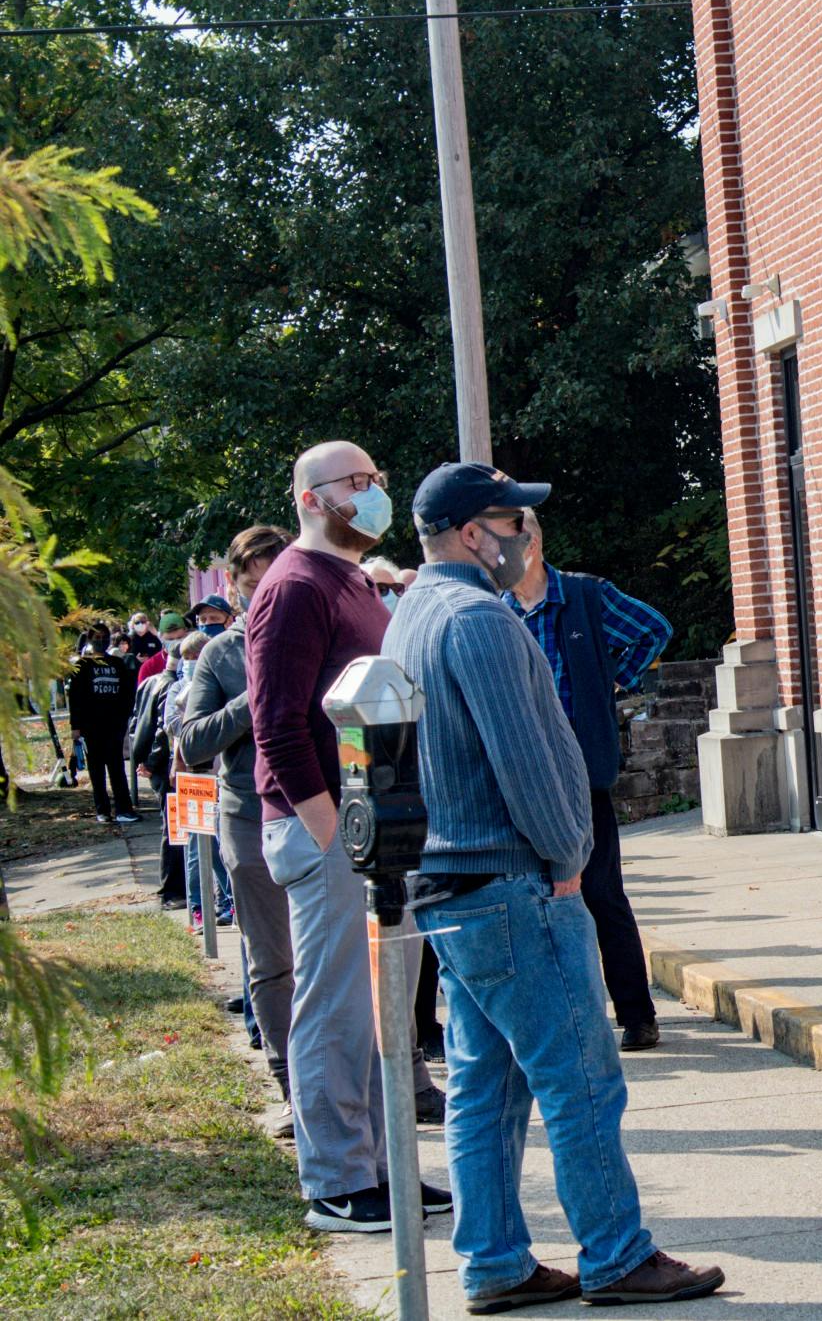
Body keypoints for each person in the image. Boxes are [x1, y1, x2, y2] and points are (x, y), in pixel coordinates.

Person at [386, 461, 724, 1312]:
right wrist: (569, 856)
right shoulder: (480, 621)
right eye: (512, 521)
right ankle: (616, 1254)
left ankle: (495, 1261)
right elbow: (527, 760)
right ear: (472, 534)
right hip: (513, 883)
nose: (524, 536)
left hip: (453, 889)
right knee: (581, 1079)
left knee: (485, 1090)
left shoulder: (409, 619)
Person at [245, 439, 450, 1234]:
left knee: (378, 1011)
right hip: (327, 830)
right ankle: (335, 1179)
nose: (371, 493)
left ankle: (381, 1168)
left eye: (376, 478)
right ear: (309, 498)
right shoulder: (293, 586)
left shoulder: (354, 579)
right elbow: (276, 726)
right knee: (335, 1007)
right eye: (354, 482)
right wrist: (333, 832)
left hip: (374, 830)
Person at [505, 507, 674, 1051]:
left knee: (602, 894)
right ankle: (563, 1018)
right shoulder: (497, 610)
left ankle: (637, 1014)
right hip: (524, 776)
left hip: (580, 770)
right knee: (533, 898)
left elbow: (654, 630)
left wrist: (610, 681)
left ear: (528, 544)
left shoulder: (583, 595)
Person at [183, 526, 298, 1135]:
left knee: (361, 954)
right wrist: (254, 697)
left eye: (273, 579)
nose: (263, 593)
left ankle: (404, 1078)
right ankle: (291, 1088)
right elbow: (191, 741)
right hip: (250, 821)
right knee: (272, 960)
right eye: (251, 583)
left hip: (323, 815)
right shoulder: (219, 654)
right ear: (233, 584)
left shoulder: (315, 631)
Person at [165, 629, 233, 931]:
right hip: (193, 777)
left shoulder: (219, 684)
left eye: (198, 656)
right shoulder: (177, 688)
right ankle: (198, 907)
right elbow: (175, 727)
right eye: (188, 658)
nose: (193, 662)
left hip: (219, 775)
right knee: (196, 843)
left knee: (220, 843)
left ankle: (226, 901)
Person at [128, 645, 184, 906]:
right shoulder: (171, 688)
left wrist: (142, 760)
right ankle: (172, 890)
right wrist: (151, 761)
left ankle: (171, 889)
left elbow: (136, 721)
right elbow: (164, 731)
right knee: (175, 830)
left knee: (170, 828)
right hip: (165, 766)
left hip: (154, 765)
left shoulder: (149, 683)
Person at [67, 629, 138, 823]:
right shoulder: (83, 665)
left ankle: (124, 809)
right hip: (91, 727)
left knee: (117, 768)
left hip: (114, 726)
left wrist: (124, 717)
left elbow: (127, 693)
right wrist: (76, 726)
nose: (101, 641)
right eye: (96, 638)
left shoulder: (117, 663)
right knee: (96, 770)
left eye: (104, 638)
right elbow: (75, 697)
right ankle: (103, 810)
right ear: (89, 640)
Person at [135, 611, 189, 685]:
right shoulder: (149, 667)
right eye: (170, 640)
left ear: (186, 634)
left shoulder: (195, 659)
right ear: (161, 638)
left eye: (179, 638)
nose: (176, 644)